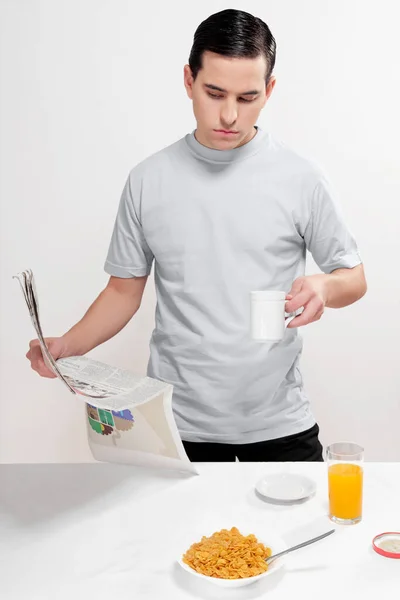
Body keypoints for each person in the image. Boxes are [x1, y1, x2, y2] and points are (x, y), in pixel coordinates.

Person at [27, 9, 367, 462]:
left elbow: (354, 278)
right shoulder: (148, 179)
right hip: (175, 427)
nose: (229, 114)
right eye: (214, 93)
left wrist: (325, 284)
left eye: (248, 97)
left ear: (269, 91)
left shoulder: (301, 177)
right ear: (189, 80)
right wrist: (66, 346)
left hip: (281, 425)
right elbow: (123, 291)